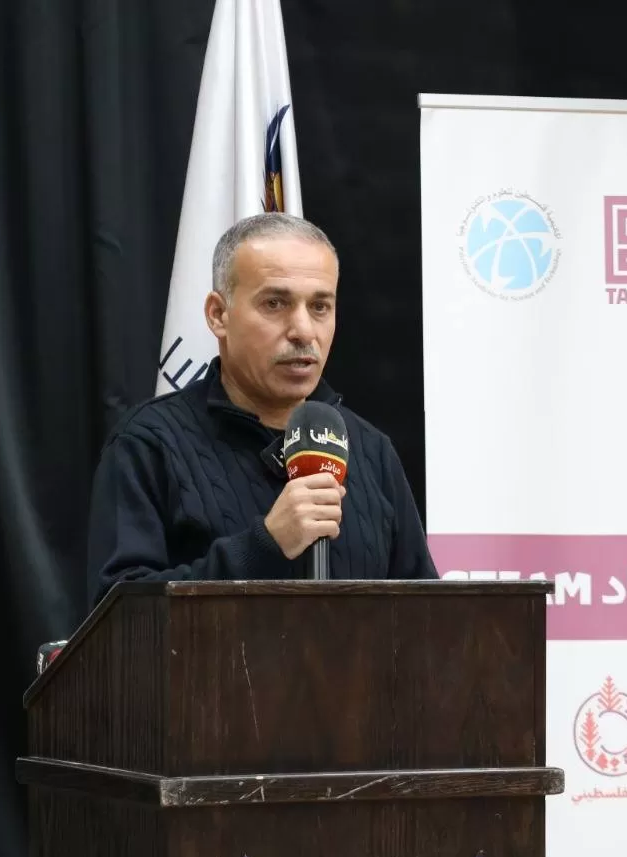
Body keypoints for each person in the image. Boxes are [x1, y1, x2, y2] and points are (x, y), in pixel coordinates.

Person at [84, 213, 438, 608]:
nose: (303, 330)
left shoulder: (371, 451)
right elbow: (119, 616)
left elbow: (428, 617)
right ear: (218, 314)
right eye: (275, 303)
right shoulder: (148, 445)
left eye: (320, 306)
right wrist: (264, 545)